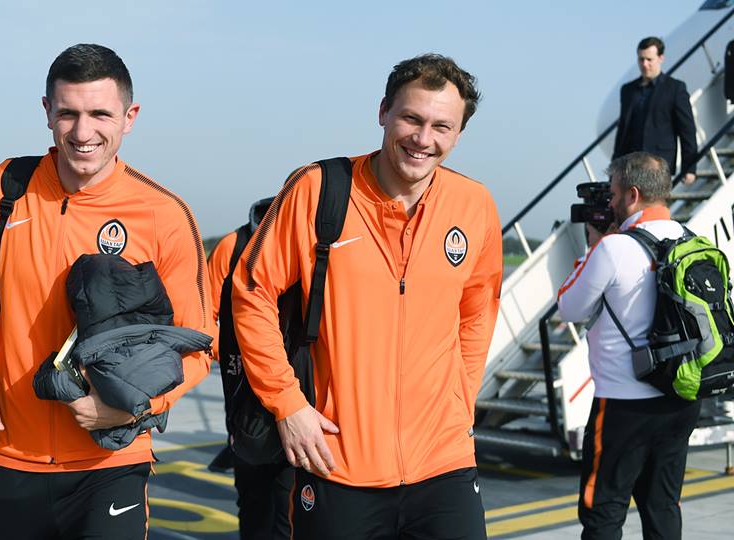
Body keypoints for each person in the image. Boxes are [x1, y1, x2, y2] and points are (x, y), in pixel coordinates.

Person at [0, 43, 212, 539]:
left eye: (100, 114)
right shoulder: (7, 188)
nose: (83, 133)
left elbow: (196, 347)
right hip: (8, 455)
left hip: (110, 461)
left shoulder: (164, 214)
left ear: (129, 117)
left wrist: (134, 407)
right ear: (47, 112)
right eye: (68, 113)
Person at [231, 54, 502, 539]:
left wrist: (460, 400)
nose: (423, 138)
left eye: (442, 126)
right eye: (411, 118)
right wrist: (288, 404)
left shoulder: (474, 204)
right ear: (383, 112)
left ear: (459, 133)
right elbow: (252, 293)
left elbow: (477, 312)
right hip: (337, 460)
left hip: (445, 463)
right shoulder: (318, 189)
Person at [557, 152, 700, 539]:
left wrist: (594, 245)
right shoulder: (692, 240)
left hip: (624, 405)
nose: (611, 202)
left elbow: (569, 307)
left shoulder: (613, 248)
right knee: (663, 507)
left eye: (614, 193)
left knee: (604, 511)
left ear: (633, 195)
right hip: (681, 398)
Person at [208, 197, 294, 540]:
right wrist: (232, 354)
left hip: (299, 391)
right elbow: (205, 314)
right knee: (254, 497)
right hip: (244, 390)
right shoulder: (232, 246)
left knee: (292, 502)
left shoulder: (309, 245)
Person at [613, 36, 697, 184]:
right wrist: (615, 166)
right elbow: (622, 132)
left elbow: (687, 130)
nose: (644, 64)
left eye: (649, 59)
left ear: (661, 58)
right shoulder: (627, 90)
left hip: (659, 165)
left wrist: (689, 168)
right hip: (630, 165)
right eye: (641, 59)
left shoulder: (675, 88)